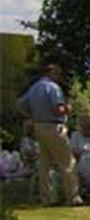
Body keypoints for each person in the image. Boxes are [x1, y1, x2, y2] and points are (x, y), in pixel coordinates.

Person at [16, 64, 83, 206]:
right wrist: (68, 108)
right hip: (54, 127)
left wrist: (31, 116)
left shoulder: (34, 88)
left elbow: (20, 104)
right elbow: (58, 109)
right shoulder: (53, 88)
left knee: (44, 165)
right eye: (57, 75)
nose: (58, 78)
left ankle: (47, 198)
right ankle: (73, 198)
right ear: (52, 73)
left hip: (38, 127)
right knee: (67, 162)